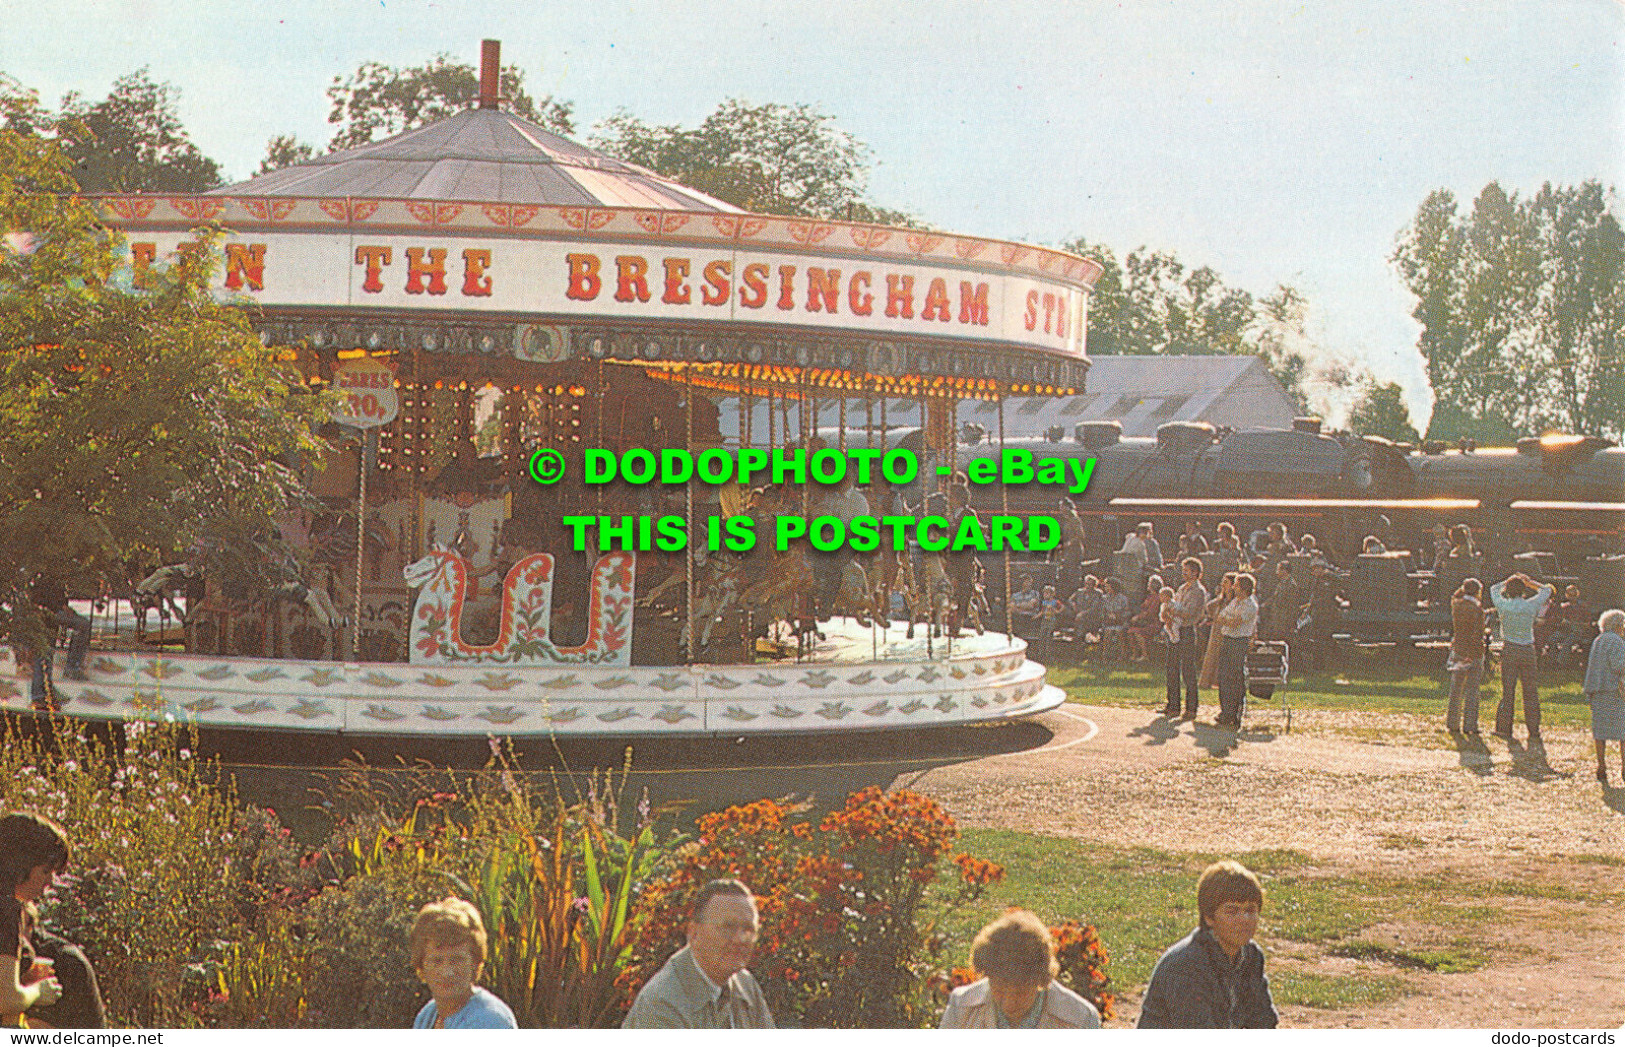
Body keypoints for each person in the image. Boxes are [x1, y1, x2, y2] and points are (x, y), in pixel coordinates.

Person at [1138, 860, 1278, 1029]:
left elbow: (1264, 1022)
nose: (1244, 920)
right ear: (1209, 917)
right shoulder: (1186, 966)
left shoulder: (1251, 957)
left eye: (1250, 910)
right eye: (1232, 911)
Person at [623, 879, 773, 1029]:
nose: (739, 939)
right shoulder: (662, 1003)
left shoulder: (745, 984)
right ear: (694, 933)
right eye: (727, 927)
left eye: (748, 929)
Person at [939, 909, 1101, 1029]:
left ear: (1040, 981)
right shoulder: (961, 1007)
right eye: (999, 989)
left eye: (1020, 993)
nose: (1009, 1003)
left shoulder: (1080, 1020)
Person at [0, 813, 68, 1029]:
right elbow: (6, 999)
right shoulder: (7, 910)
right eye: (46, 870)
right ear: (21, 866)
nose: (50, 880)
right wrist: (39, 991)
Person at [409, 897, 516, 1029]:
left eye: (456, 960)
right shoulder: (427, 1015)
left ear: (475, 962)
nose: (447, 972)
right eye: (436, 961)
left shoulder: (490, 1019)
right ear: (422, 965)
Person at [1489, 573, 1554, 744]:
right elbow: (1547, 590)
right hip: (1527, 649)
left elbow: (1494, 589)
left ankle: (1504, 728)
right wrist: (1529, 581)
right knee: (1530, 690)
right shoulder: (1530, 606)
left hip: (1509, 648)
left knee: (1508, 690)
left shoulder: (1503, 605)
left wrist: (1509, 579)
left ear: (1508, 591)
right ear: (1523, 591)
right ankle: (1533, 729)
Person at [25, 572, 91, 708]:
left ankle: (43, 690)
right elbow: (42, 594)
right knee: (45, 649)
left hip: (47, 610)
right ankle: (71, 667)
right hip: (46, 611)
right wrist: (60, 607)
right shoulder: (45, 565)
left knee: (46, 649)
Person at [1161, 558, 1207, 719]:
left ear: (1195, 572)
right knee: (1171, 667)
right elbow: (1172, 605)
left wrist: (1174, 612)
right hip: (1176, 629)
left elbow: (1190, 613)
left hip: (1187, 630)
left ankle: (1191, 707)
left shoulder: (1198, 591)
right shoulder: (1181, 588)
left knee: (1188, 669)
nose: (1184, 572)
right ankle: (1172, 704)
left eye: (1187, 570)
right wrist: (1168, 614)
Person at [1583, 609, 1625, 786]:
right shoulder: (1616, 641)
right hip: (1614, 691)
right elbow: (1619, 666)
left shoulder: (1598, 640)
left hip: (1597, 690)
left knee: (1600, 731)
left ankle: (1601, 766)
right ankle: (1624, 767)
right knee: (1623, 731)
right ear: (1618, 625)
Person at [1213, 574, 1258, 730]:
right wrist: (1228, 620)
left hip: (1239, 642)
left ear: (1243, 588)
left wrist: (1228, 620)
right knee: (1223, 676)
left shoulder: (1250, 605)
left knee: (1236, 677)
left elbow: (1235, 622)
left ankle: (1236, 712)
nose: (1233, 587)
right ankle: (1225, 711)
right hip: (1227, 639)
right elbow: (1220, 617)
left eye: (1236, 585)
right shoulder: (1234, 602)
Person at [1446, 579, 1488, 735]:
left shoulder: (1457, 605)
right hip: (1473, 652)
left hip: (1459, 648)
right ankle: (1470, 725)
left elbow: (1454, 595)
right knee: (1472, 689)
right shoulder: (1477, 610)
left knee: (1456, 688)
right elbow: (1478, 634)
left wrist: (1462, 588)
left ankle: (1453, 722)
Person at [1257, 561, 1303, 642]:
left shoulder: (1291, 586)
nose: (1276, 572)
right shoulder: (1281, 583)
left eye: (1278, 570)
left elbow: (1293, 607)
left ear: (1284, 571)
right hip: (1277, 619)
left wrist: (1292, 624)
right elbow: (1275, 597)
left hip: (1284, 622)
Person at [1125, 574, 1164, 662]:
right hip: (1145, 621)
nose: (1148, 585)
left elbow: (1151, 612)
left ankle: (1145, 655)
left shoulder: (1157, 598)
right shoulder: (1149, 597)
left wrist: (1138, 617)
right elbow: (1142, 608)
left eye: (1149, 584)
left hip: (1154, 623)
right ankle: (1135, 654)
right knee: (1130, 631)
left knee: (1137, 632)